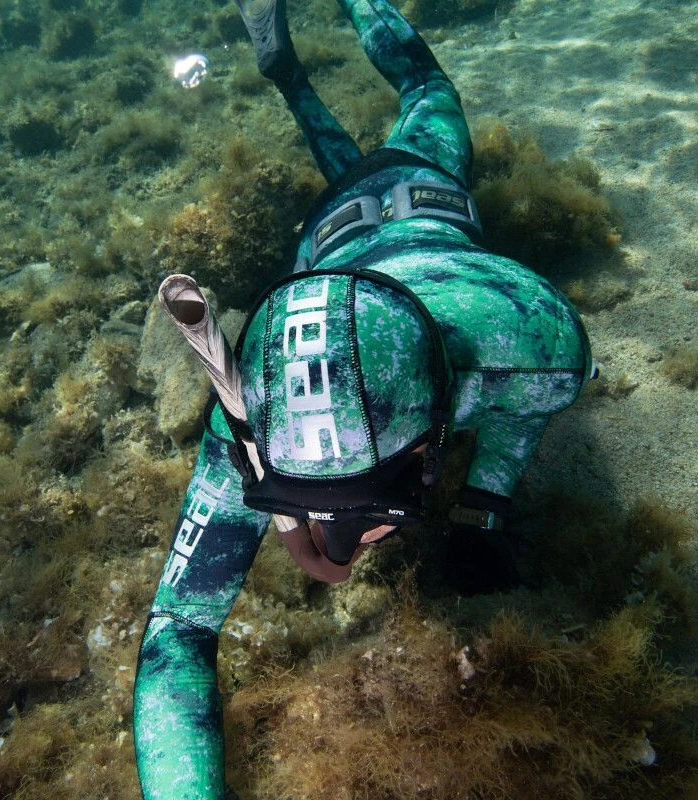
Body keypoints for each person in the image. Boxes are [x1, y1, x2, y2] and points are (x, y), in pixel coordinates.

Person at [133, 0, 594, 797]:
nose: (342, 536)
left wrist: (482, 506)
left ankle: (309, 50)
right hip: (369, 215)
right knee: (418, 93)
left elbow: (179, 629)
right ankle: (301, 58)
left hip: (397, 196)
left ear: (440, 426)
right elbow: (179, 630)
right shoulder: (252, 424)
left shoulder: (531, 350)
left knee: (404, 108)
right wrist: (480, 504)